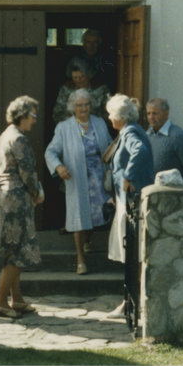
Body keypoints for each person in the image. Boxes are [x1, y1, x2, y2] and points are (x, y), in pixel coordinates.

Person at [45, 88, 112, 275]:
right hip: (77, 178)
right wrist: (58, 167)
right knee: (78, 217)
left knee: (96, 215)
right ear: (73, 107)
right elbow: (50, 152)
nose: (84, 108)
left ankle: (88, 241)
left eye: (87, 104)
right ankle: (80, 259)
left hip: (98, 177)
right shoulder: (64, 127)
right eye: (80, 105)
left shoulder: (99, 123)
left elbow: (109, 147)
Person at [0, 95, 45, 319]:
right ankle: (0, 301)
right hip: (17, 198)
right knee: (16, 251)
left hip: (7, 196)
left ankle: (17, 299)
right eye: (33, 115)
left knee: (15, 248)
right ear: (22, 115)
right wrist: (37, 192)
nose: (34, 120)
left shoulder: (6, 135)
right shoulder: (19, 139)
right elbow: (27, 172)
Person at [104, 93, 154, 318]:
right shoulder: (129, 130)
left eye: (110, 114)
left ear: (119, 116)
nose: (109, 118)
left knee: (133, 253)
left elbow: (140, 152)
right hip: (125, 201)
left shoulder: (130, 131)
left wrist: (127, 177)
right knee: (132, 253)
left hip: (132, 203)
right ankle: (129, 302)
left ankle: (129, 303)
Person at [145, 98, 183, 187]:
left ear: (166, 113)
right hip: (152, 194)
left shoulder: (177, 136)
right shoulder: (147, 135)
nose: (151, 117)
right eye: (148, 113)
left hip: (171, 196)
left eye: (155, 113)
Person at [52, 58, 110, 123]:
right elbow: (57, 114)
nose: (78, 80)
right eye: (75, 77)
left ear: (89, 75)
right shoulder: (66, 89)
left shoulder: (101, 89)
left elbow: (108, 114)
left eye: (82, 77)